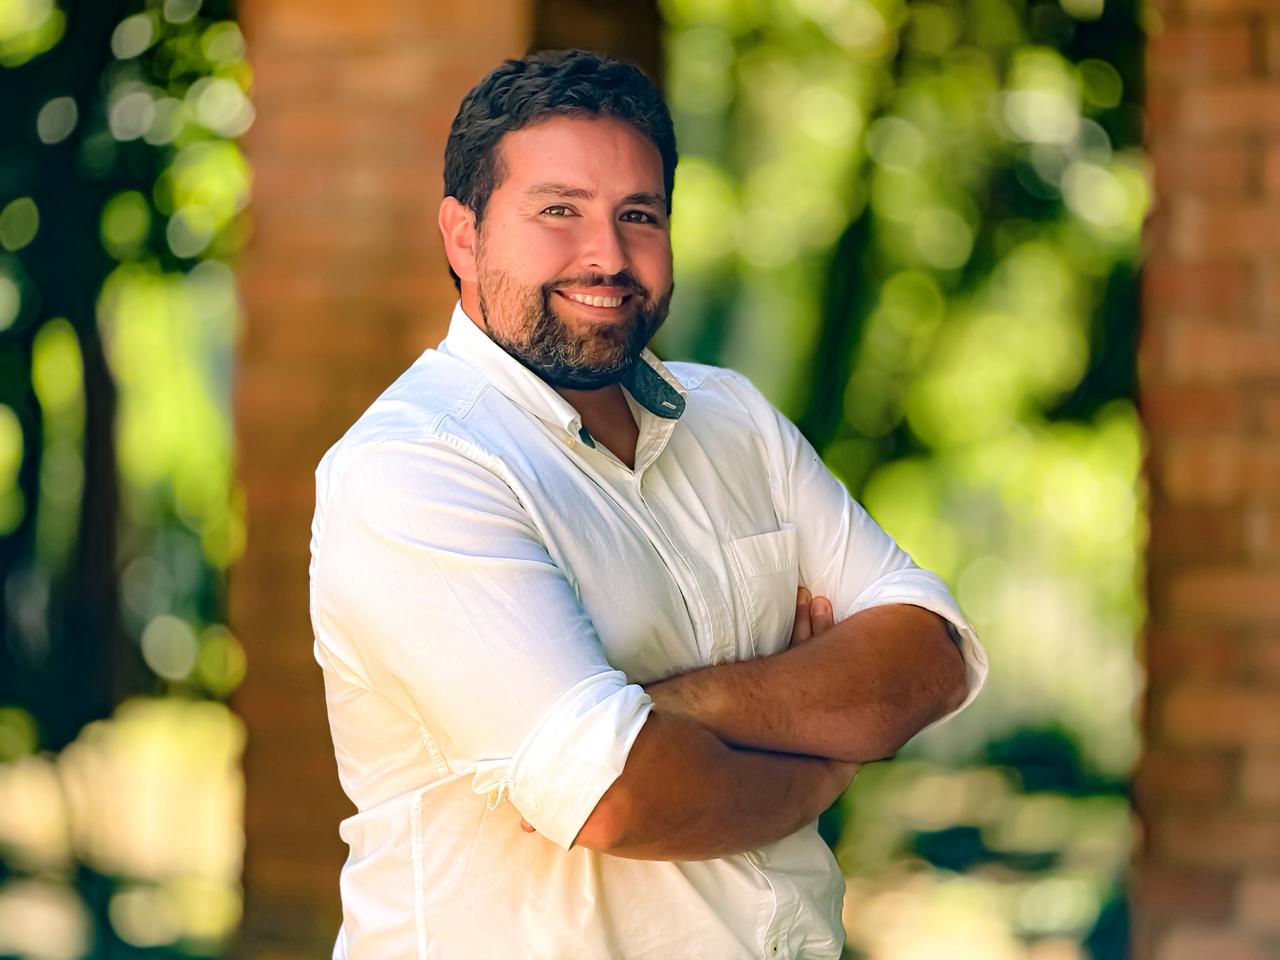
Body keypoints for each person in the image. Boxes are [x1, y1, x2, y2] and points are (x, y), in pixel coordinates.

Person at [308, 48, 987, 959]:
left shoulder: (735, 423)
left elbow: (932, 654)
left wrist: (683, 708)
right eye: (559, 210)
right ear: (462, 236)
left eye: (639, 215)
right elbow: (618, 797)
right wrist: (827, 754)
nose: (608, 254)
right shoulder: (416, 469)